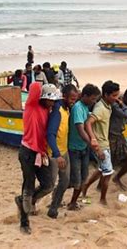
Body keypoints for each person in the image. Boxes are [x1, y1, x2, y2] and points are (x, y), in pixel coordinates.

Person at [14, 83, 60, 234]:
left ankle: (24, 201)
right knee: (28, 186)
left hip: (40, 153)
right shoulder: (32, 106)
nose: (52, 102)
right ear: (42, 97)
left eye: (54, 100)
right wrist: (44, 82)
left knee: (48, 184)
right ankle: (24, 221)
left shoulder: (48, 111)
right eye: (50, 99)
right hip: (27, 151)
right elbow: (34, 87)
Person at [81, 80, 120, 205]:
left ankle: (85, 186)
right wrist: (93, 140)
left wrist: (117, 101)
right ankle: (102, 199)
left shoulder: (107, 105)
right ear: (106, 95)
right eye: (114, 96)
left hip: (104, 143)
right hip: (101, 145)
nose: (116, 98)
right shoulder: (100, 108)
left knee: (101, 169)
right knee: (108, 173)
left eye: (117, 95)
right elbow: (88, 123)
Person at [66, 84, 101, 211]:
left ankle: (73, 202)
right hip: (74, 148)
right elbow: (81, 129)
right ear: (85, 96)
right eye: (92, 99)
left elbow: (88, 127)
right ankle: (66, 201)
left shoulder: (85, 107)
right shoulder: (78, 108)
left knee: (83, 176)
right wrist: (92, 143)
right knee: (76, 179)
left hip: (83, 148)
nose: (94, 102)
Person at [46, 84, 79, 219]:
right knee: (49, 185)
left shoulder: (67, 109)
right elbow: (50, 134)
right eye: (71, 98)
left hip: (64, 152)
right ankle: (31, 201)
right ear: (64, 96)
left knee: (65, 181)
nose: (73, 101)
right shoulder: (57, 111)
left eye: (75, 99)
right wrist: (57, 155)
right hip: (55, 154)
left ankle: (53, 208)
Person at [109, 87, 127, 191]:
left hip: (120, 135)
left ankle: (117, 178)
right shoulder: (116, 105)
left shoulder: (122, 103)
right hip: (111, 136)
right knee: (110, 164)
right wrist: (123, 105)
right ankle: (100, 185)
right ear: (126, 98)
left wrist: (125, 105)